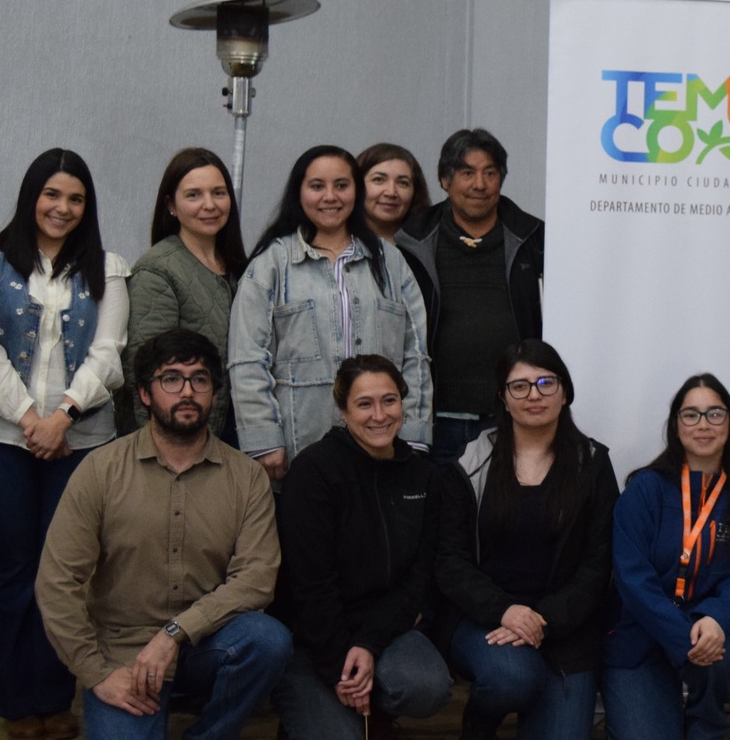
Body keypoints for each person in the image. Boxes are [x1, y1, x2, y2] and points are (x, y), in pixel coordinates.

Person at [35, 329, 289, 740]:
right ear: (146, 394)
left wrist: (173, 634)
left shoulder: (246, 477)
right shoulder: (100, 470)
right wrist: (95, 673)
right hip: (124, 654)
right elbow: (56, 581)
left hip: (204, 643)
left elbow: (256, 579)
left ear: (214, 393)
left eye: (200, 379)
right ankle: (137, 717)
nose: (187, 391)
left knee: (267, 638)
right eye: (171, 379)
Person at [0, 149, 131, 740]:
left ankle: (56, 694)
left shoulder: (108, 267)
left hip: (80, 439)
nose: (62, 208)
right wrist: (31, 419)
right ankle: (17, 699)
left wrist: (63, 417)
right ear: (31, 195)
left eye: (75, 198)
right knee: (12, 566)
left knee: (64, 569)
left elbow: (109, 353)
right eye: (52, 194)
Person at [437, 341, 619, 740]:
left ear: (565, 391)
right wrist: (506, 611)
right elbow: (449, 560)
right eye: (519, 386)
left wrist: (543, 620)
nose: (534, 395)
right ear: (502, 397)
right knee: (511, 676)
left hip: (562, 624)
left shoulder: (593, 463)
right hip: (484, 618)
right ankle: (481, 721)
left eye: (545, 382)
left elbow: (599, 564)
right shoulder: (469, 461)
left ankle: (534, 699)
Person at [270, 355, 453, 740]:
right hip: (313, 637)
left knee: (426, 686)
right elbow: (310, 586)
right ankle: (314, 710)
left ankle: (377, 710)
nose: (379, 415)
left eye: (389, 400)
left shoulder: (424, 476)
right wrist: (341, 667)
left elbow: (418, 579)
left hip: (383, 631)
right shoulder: (314, 471)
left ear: (403, 404)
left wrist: (368, 645)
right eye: (364, 404)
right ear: (343, 411)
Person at [605, 374, 730, 740]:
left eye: (715, 414)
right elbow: (632, 578)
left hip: (710, 632)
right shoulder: (644, 489)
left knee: (722, 648)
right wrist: (680, 635)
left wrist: (715, 617)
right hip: (642, 633)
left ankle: (706, 725)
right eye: (691, 414)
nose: (703, 424)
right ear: (676, 424)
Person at [230, 145, 432, 480]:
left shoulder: (390, 262)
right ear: (299, 193)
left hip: (384, 447)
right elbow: (247, 357)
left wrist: (413, 433)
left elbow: (416, 355)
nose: (330, 197)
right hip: (300, 446)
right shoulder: (272, 264)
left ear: (356, 190)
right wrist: (263, 438)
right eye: (317, 186)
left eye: (341, 185)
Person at [396, 128, 545, 462]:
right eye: (467, 173)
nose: (480, 184)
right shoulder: (412, 240)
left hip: (512, 412)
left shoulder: (533, 239)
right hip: (435, 415)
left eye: (490, 173)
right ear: (444, 180)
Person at [118, 147, 247, 442]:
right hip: (178, 439)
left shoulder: (241, 268)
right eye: (194, 195)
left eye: (218, 193)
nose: (209, 204)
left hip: (230, 432)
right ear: (171, 206)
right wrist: (158, 449)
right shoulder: (157, 270)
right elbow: (144, 370)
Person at [358, 142, 434, 299]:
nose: (391, 192)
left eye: (403, 183)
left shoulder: (429, 249)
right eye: (379, 180)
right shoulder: (339, 246)